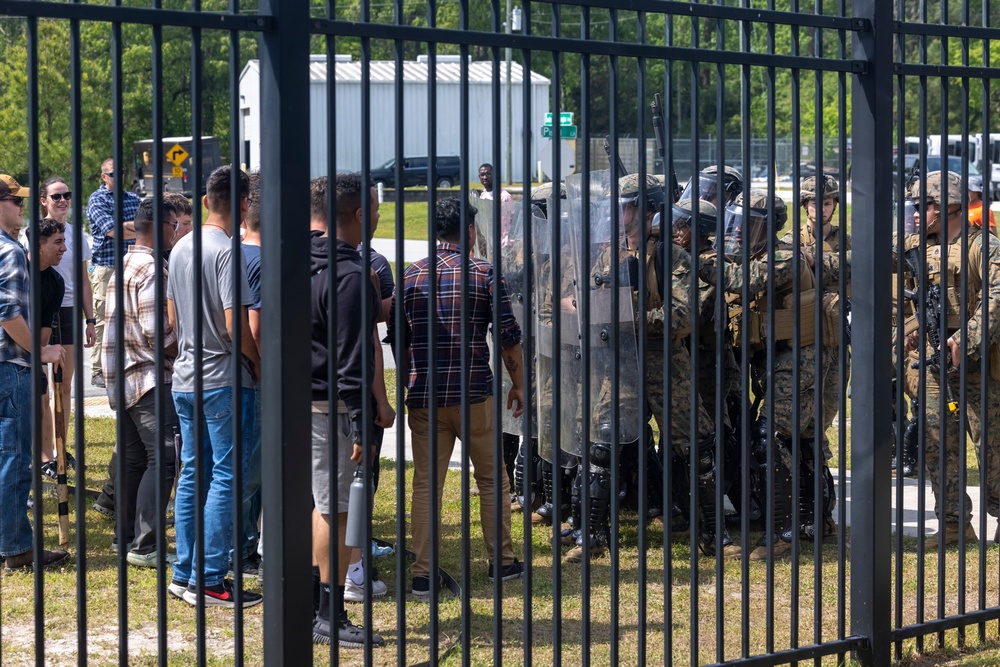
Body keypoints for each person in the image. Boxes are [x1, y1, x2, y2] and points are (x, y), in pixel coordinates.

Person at [703, 190, 847, 559]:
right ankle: (817, 519)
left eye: (747, 223)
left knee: (769, 437)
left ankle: (782, 532)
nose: (737, 230)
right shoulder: (750, 255)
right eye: (736, 222)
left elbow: (739, 279)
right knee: (802, 439)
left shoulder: (783, 256)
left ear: (767, 226)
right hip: (774, 360)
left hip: (800, 359)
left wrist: (695, 257)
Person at [392, 196, 525, 595]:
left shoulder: (411, 275)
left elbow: (398, 338)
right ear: (469, 230)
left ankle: (423, 573)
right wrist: (519, 384)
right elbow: (508, 337)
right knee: (492, 481)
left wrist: (411, 377)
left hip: (425, 397)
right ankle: (501, 562)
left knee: (426, 486)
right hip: (473, 394)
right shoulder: (484, 273)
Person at [166, 166, 261, 607]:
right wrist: (256, 363)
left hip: (185, 377)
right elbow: (235, 325)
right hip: (223, 378)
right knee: (227, 475)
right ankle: (208, 579)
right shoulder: (229, 251)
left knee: (192, 474)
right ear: (243, 204)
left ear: (205, 201)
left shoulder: (181, 246)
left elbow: (172, 318)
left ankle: (184, 572)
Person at [901, 170, 1000, 547]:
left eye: (924, 204)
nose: (916, 212)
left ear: (950, 206)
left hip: (980, 362)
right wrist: (910, 329)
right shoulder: (916, 247)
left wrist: (965, 339)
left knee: (991, 448)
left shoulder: (983, 246)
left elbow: (996, 298)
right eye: (915, 205)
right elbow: (907, 297)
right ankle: (955, 524)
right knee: (937, 443)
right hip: (933, 361)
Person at [309, 173, 387, 647]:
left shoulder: (292, 262)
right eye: (375, 210)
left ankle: (313, 605)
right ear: (360, 214)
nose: (376, 217)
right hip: (333, 408)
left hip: (296, 401)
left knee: (317, 505)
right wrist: (361, 421)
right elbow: (352, 358)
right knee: (335, 510)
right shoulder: (350, 275)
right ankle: (328, 614)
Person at [102, 197, 179, 567]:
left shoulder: (125, 263)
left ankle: (126, 538)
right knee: (162, 458)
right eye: (174, 225)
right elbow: (157, 333)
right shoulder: (151, 269)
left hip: (123, 377)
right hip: (149, 378)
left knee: (133, 461)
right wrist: (184, 347)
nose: (176, 231)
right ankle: (146, 544)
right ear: (161, 226)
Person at [0, 174, 68, 571]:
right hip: (11, 366)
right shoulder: (10, 252)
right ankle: (16, 549)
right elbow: (8, 313)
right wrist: (40, 350)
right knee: (13, 461)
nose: (23, 207)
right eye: (16, 201)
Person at [35, 177, 95, 478]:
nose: (62, 201)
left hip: (69, 310)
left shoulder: (76, 235)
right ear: (43, 200)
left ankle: (60, 447)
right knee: (41, 387)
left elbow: (83, 281)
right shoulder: (34, 234)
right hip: (41, 309)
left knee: (65, 384)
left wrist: (90, 320)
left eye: (66, 195)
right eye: (56, 196)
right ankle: (44, 453)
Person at [87, 158, 141, 388]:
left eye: (120, 172)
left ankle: (128, 364)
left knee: (132, 317)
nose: (117, 177)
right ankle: (98, 370)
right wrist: (137, 227)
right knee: (103, 318)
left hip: (132, 265)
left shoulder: (134, 199)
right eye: (112, 174)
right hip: (106, 267)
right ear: (103, 176)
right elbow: (111, 230)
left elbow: (146, 227)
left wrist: (128, 228)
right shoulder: (97, 199)